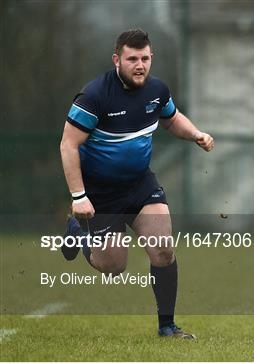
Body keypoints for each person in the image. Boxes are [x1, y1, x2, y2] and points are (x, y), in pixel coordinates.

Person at [59, 29, 214, 339]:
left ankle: (167, 326)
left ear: (151, 58)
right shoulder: (94, 96)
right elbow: (68, 145)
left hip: (140, 185)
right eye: (132, 59)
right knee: (113, 267)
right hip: (100, 193)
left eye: (145, 58)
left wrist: (195, 134)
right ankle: (77, 232)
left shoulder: (156, 90)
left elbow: (171, 118)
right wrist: (79, 196)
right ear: (117, 59)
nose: (140, 65)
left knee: (163, 250)